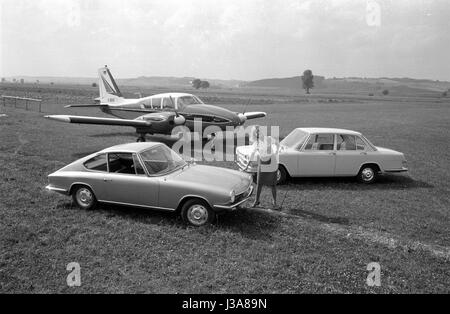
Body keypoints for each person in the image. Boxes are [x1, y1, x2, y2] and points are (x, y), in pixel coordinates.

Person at [244, 126, 281, 210]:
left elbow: (277, 143)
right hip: (262, 163)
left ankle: (274, 203)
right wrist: (246, 165)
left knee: (273, 184)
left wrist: (276, 151)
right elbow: (252, 154)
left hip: (272, 162)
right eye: (256, 132)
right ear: (254, 134)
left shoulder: (269, 138)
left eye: (259, 131)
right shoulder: (256, 143)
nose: (258, 133)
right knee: (259, 183)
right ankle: (256, 201)